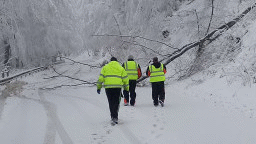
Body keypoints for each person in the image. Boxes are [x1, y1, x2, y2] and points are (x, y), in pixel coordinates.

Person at [97, 57, 129, 125]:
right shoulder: (120, 68)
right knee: (116, 102)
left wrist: (99, 87)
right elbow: (125, 79)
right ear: (117, 61)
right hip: (117, 87)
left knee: (111, 102)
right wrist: (126, 89)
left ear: (110, 61)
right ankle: (115, 117)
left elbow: (101, 78)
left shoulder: (105, 67)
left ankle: (113, 117)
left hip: (108, 88)